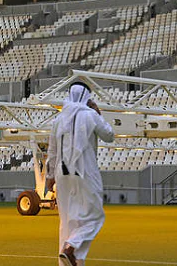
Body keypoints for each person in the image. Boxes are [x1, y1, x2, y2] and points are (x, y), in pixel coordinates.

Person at [46, 82, 115, 266]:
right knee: (95, 215)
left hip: (62, 175)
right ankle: (71, 247)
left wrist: (49, 177)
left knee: (67, 221)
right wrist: (98, 111)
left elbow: (52, 152)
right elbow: (109, 135)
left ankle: (71, 260)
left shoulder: (58, 119)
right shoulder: (90, 115)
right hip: (85, 171)